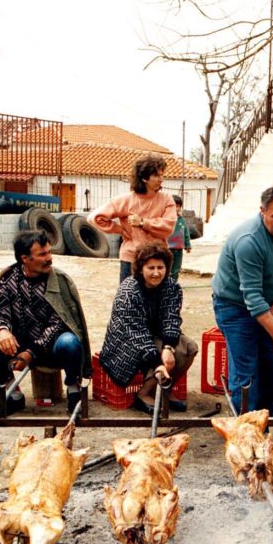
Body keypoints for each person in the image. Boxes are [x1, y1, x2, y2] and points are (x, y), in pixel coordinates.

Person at [211, 183, 273, 415]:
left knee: (269, 371)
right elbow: (252, 296)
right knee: (246, 375)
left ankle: (264, 431)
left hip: (268, 305)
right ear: (262, 211)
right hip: (235, 307)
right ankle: (246, 437)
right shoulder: (249, 241)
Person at [0, 230, 91, 415]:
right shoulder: (8, 280)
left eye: (49, 252)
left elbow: (60, 323)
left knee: (70, 342)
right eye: (42, 254)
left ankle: (74, 393)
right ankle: (13, 395)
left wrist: (31, 352)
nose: (49, 258)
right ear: (25, 258)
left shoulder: (60, 281)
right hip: (19, 345)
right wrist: (2, 330)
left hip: (51, 348)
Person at [99, 241, 198, 413]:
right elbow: (136, 333)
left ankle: (165, 389)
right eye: (150, 268)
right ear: (140, 268)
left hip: (156, 335)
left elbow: (171, 318)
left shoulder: (171, 287)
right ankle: (143, 393)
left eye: (160, 267)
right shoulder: (128, 291)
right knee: (163, 359)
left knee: (189, 347)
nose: (156, 273)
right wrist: (158, 362)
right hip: (127, 342)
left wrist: (168, 346)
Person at [88, 154, 178, 281]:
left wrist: (142, 222)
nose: (161, 179)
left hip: (158, 261)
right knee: (127, 298)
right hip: (131, 258)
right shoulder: (126, 200)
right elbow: (95, 218)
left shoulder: (166, 199)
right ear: (145, 178)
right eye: (157, 175)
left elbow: (168, 226)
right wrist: (121, 230)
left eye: (162, 175)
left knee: (157, 300)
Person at [165, 194, 192, 281]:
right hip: (166, 248)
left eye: (177, 206)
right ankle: (165, 283)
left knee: (176, 268)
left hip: (178, 249)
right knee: (166, 266)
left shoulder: (182, 220)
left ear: (180, 207)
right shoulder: (165, 219)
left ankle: (173, 283)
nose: (175, 208)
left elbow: (186, 233)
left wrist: (187, 245)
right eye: (173, 206)